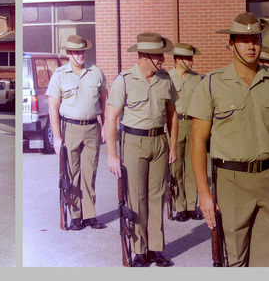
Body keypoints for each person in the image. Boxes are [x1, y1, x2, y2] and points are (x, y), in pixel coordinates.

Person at [189, 12, 269, 267]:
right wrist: (204, 193)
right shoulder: (212, 84)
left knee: (265, 261)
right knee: (235, 260)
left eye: (256, 39)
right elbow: (197, 143)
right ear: (231, 44)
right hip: (232, 182)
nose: (251, 46)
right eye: (243, 40)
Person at [105, 32, 178, 267]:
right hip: (134, 142)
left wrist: (173, 146)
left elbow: (172, 115)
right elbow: (111, 118)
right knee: (137, 197)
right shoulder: (124, 80)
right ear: (144, 55)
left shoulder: (165, 79)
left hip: (159, 142)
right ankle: (139, 250)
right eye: (158, 55)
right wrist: (112, 154)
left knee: (157, 196)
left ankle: (156, 249)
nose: (163, 60)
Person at [46, 34, 109, 231]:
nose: (80, 55)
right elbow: (52, 108)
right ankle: (75, 216)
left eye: (82, 51)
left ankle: (90, 215)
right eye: (76, 52)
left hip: (92, 127)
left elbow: (104, 101)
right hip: (69, 129)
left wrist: (105, 126)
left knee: (89, 173)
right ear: (69, 54)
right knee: (72, 174)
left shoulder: (95, 72)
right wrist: (57, 137)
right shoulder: (59, 75)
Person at [165, 42, 204, 221]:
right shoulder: (166, 78)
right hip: (175, 125)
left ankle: (191, 206)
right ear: (178, 59)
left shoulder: (197, 79)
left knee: (193, 167)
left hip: (193, 125)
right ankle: (179, 206)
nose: (192, 61)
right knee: (176, 167)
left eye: (192, 57)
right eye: (188, 58)